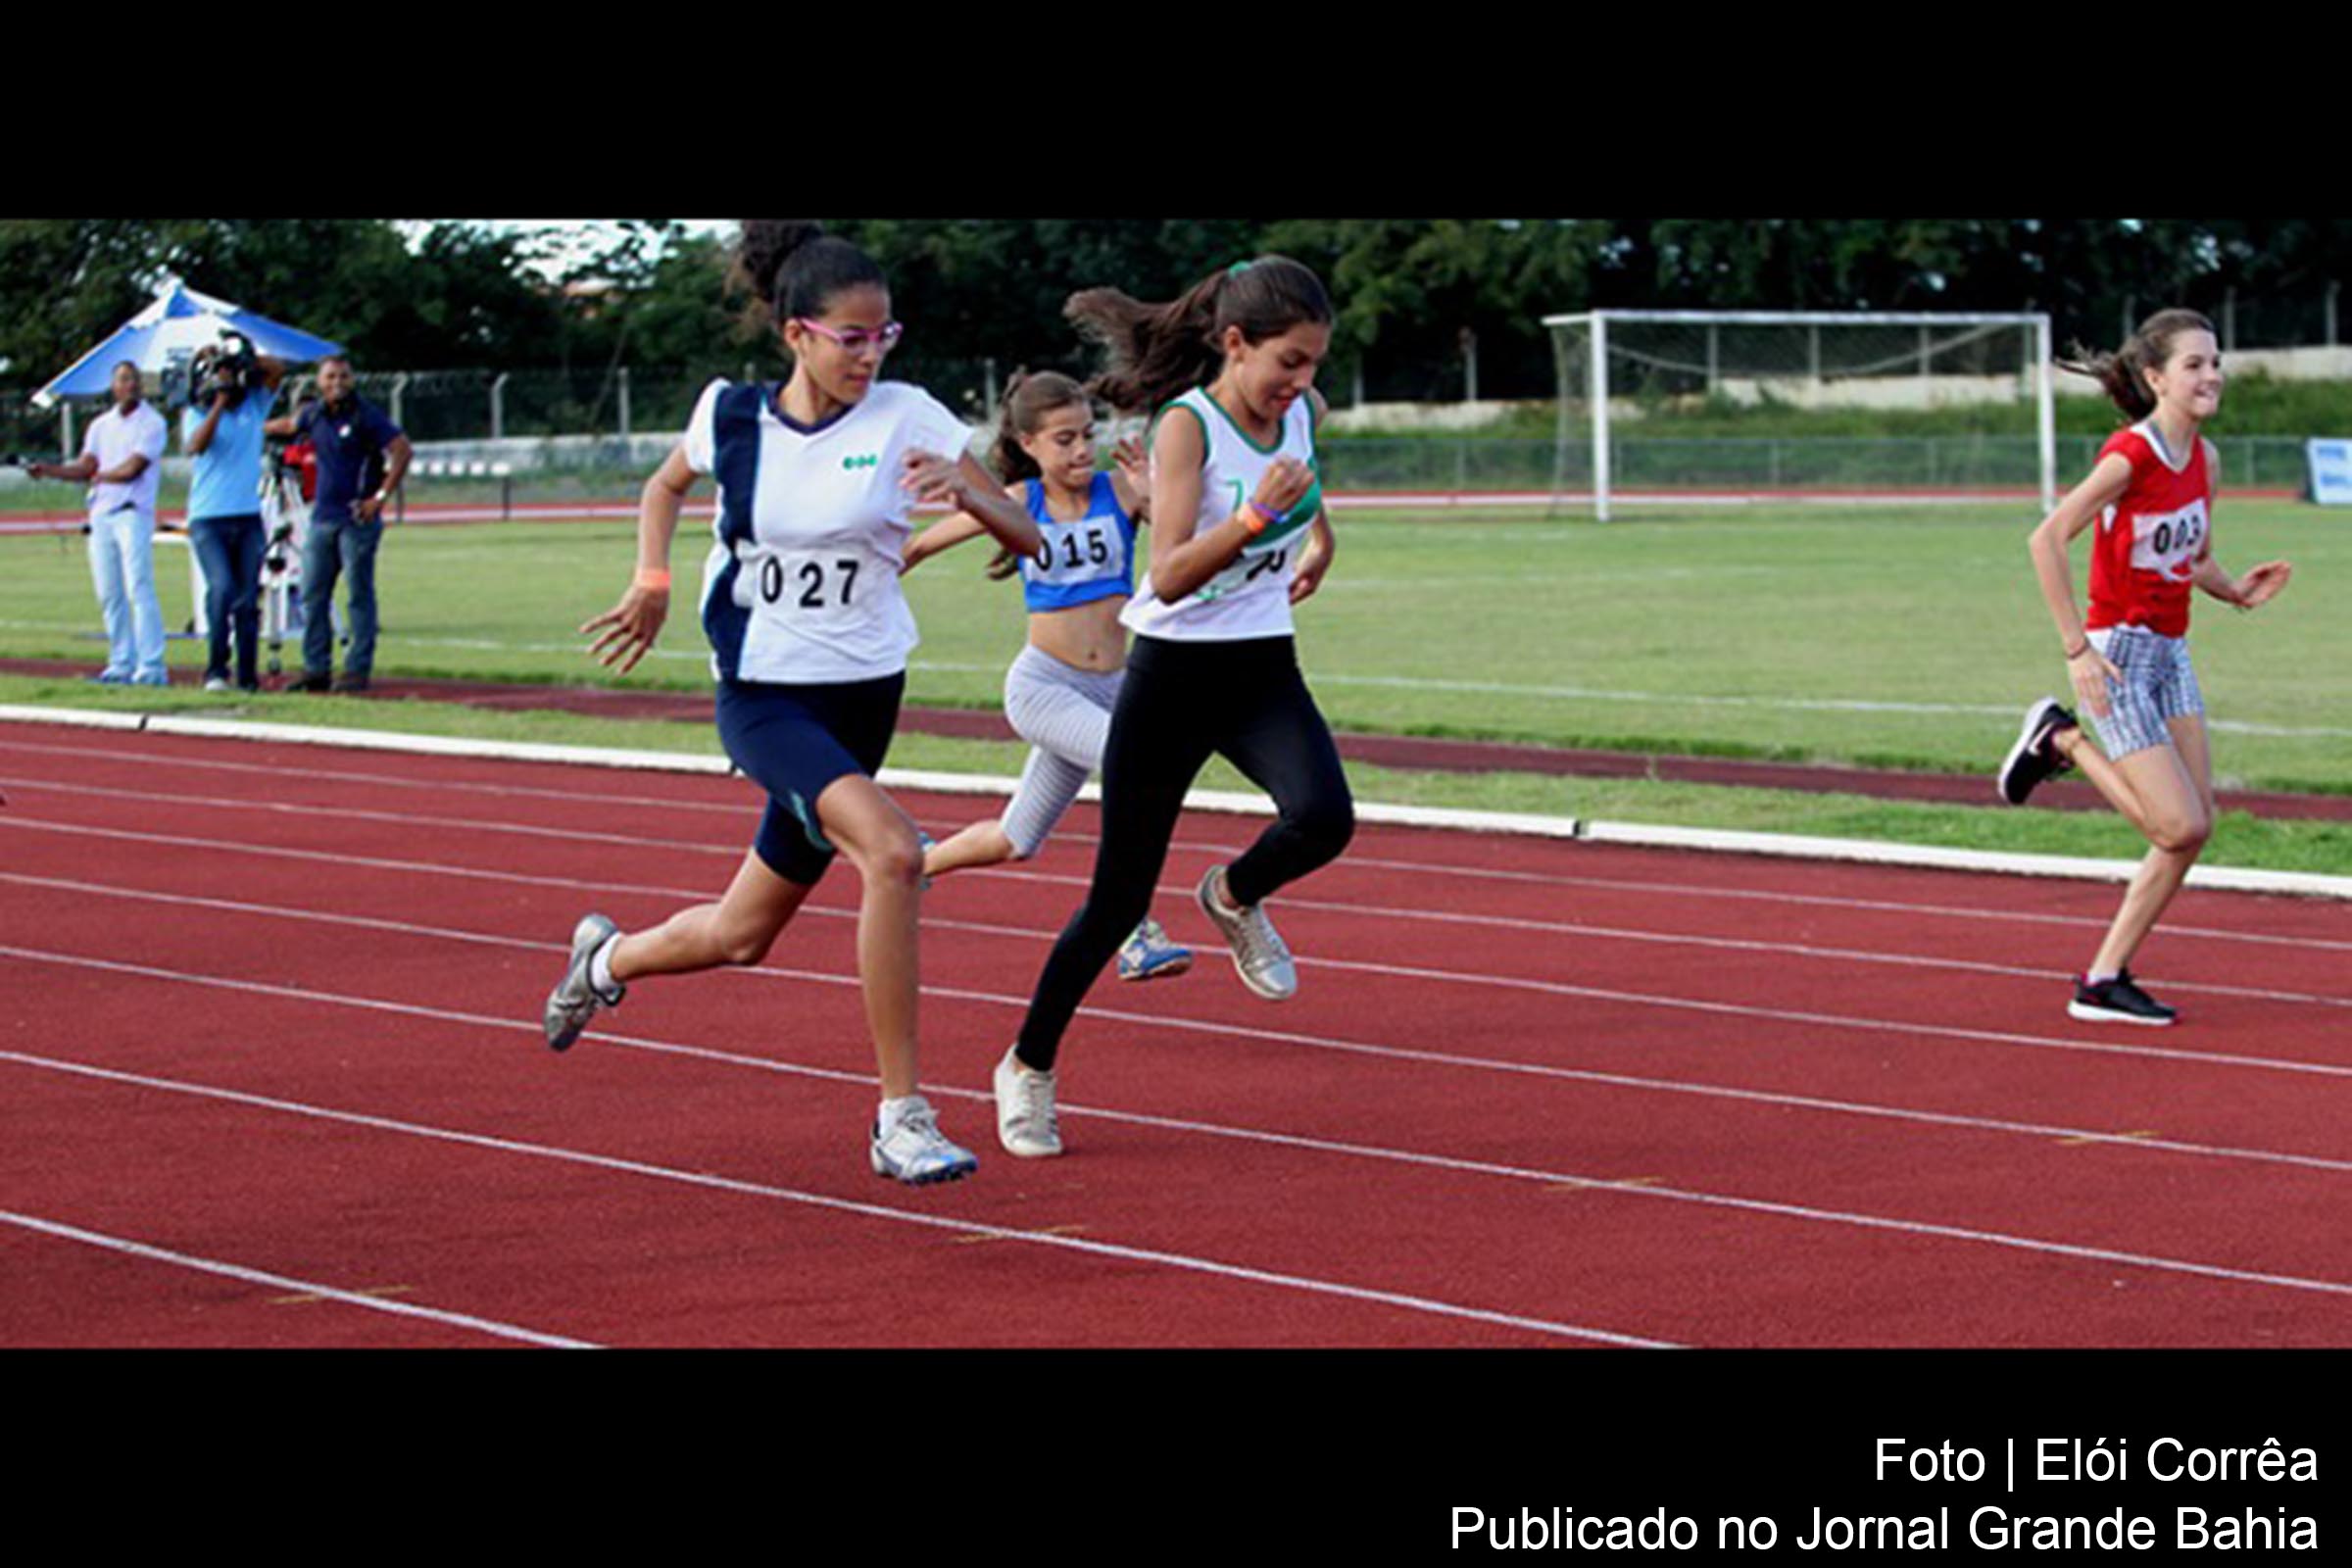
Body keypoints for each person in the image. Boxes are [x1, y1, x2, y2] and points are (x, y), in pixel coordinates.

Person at [540, 220, 1045, 1186]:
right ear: (796, 333)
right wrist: (650, 578)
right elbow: (663, 483)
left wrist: (969, 497)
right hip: (764, 697)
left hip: (864, 698)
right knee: (895, 853)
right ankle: (902, 1116)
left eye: (883, 335)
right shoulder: (731, 415)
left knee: (743, 934)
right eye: (851, 337)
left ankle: (602, 964)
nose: (871, 354)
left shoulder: (909, 415)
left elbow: (1025, 531)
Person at [992, 257, 1355, 1159]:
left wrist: (1319, 537)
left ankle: (1232, 894)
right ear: (1235, 345)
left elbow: (1301, 484)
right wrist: (1252, 524)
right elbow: (1169, 573)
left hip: (1263, 664)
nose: (1303, 383)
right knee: (1116, 905)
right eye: (1289, 363)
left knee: (1323, 819)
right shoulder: (1185, 428)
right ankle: (1027, 1065)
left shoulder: (1299, 414)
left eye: (1314, 364)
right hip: (1174, 676)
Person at [1996, 308, 2292, 1026]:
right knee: (2178, 826)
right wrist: (2077, 650)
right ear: (2156, 377)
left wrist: (2235, 591)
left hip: (2172, 649)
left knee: (2195, 827)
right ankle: (2059, 739)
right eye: (2194, 364)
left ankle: (2102, 980)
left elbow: (2189, 556)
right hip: (2117, 653)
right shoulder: (2131, 455)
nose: (2212, 374)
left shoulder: (2206, 460)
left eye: (2216, 361)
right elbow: (2047, 539)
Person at [900, 369, 1194, 983]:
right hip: (1044, 687)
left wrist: (1155, 493)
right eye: (1064, 439)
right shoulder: (1017, 503)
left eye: (1087, 434)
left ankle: (917, 862)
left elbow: (1184, 539)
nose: (1082, 449)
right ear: (1029, 444)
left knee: (1017, 838)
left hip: (1116, 686)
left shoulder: (1123, 490)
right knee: (1132, 769)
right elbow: (922, 547)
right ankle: (1133, 930)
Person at [265, 355, 410, 692]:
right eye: (330, 377)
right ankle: (316, 668)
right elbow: (289, 425)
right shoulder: (314, 413)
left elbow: (401, 449)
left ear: (352, 379)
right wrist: (251, 425)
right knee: (313, 594)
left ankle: (357, 669)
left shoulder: (366, 415)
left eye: (343, 376)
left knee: (358, 594)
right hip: (322, 517)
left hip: (356, 518)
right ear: (319, 381)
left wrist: (380, 496)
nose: (337, 383)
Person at [27, 362, 171, 685]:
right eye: (123, 379)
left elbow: (132, 468)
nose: (130, 385)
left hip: (132, 511)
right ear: (113, 386)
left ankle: (151, 665)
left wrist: (98, 475)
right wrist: (50, 470)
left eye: (134, 379)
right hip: (102, 513)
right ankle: (121, 661)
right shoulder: (101, 426)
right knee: (109, 591)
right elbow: (85, 465)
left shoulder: (152, 423)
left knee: (139, 586)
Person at [181, 337, 287, 693]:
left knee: (246, 597)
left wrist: (240, 358)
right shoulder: (196, 412)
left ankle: (247, 674)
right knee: (221, 588)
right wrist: (218, 404)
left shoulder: (254, 405)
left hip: (246, 516)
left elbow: (278, 369)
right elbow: (196, 445)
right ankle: (215, 668)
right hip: (208, 517)